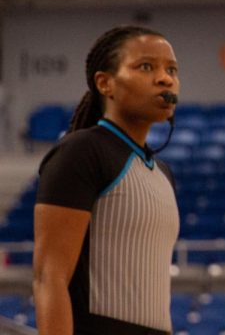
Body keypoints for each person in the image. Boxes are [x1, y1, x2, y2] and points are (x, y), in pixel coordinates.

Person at [33, 25, 181, 335]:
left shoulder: (162, 172)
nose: (165, 79)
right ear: (105, 83)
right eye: (146, 67)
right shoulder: (81, 152)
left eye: (171, 69)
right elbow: (50, 277)